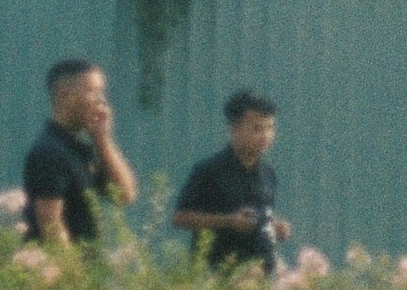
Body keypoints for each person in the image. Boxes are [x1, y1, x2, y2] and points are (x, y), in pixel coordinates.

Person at [22, 57, 139, 247]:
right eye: (92, 91)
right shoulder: (49, 152)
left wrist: (102, 140)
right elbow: (51, 226)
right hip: (60, 271)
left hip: (87, 265)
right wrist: (73, 275)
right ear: (64, 95)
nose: (101, 101)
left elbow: (125, 195)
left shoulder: (81, 148)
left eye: (102, 93)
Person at [168, 91, 289, 271]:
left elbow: (263, 215)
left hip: (258, 277)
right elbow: (180, 218)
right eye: (257, 128)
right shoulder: (209, 170)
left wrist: (276, 227)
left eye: (270, 128)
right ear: (234, 130)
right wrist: (228, 221)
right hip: (218, 276)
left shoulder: (268, 174)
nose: (265, 135)